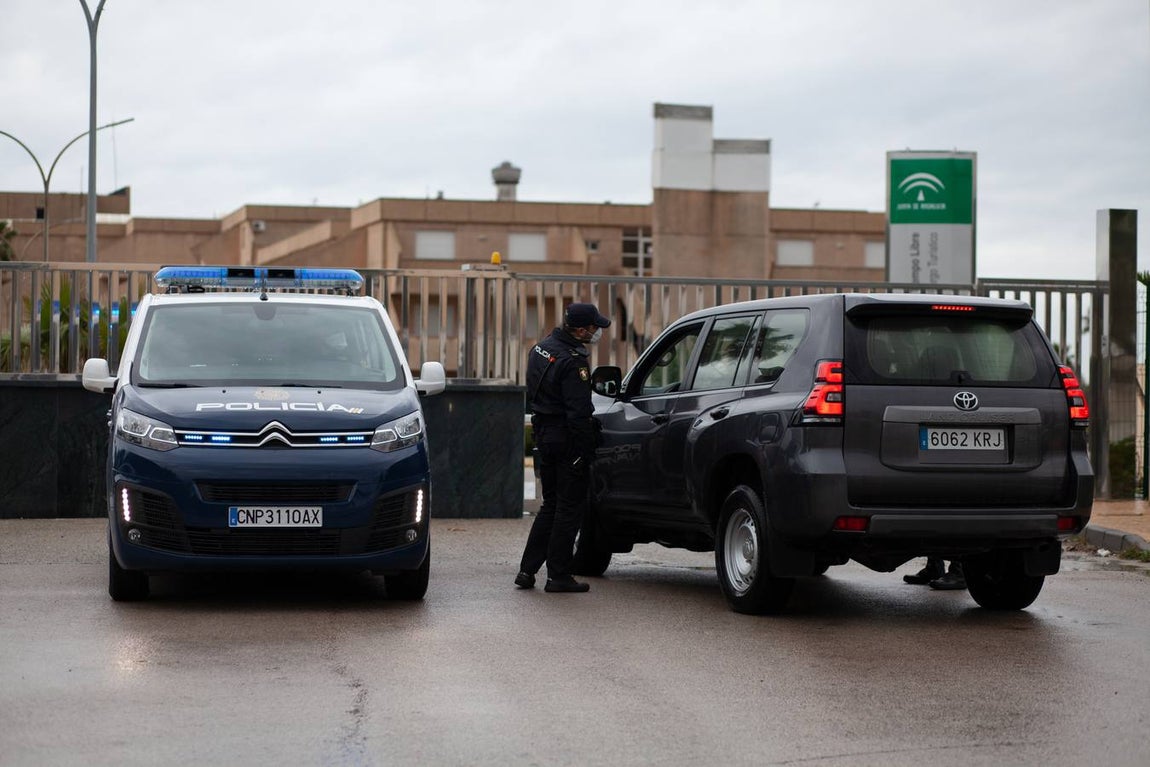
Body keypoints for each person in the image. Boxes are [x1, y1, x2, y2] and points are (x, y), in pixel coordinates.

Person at [515, 302, 610, 593]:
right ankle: (558, 576)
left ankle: (526, 570)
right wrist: (584, 451)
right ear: (580, 329)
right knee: (569, 509)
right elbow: (579, 413)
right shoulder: (574, 362)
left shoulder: (540, 349)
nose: (596, 332)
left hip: (544, 435)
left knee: (551, 505)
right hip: (567, 440)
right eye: (594, 327)